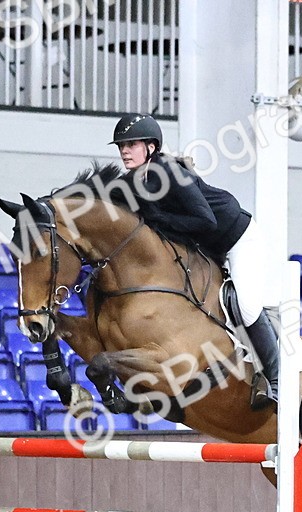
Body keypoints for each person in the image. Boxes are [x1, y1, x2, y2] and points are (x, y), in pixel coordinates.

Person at [109, 112, 279, 410]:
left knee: (247, 305)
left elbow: (206, 220)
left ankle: (276, 380)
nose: (124, 150)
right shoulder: (132, 182)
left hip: (237, 239)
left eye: (131, 144)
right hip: (205, 248)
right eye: (121, 145)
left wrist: (161, 219)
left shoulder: (172, 173)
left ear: (150, 147)